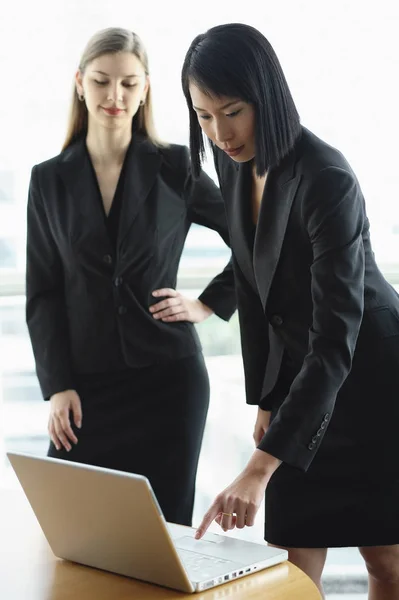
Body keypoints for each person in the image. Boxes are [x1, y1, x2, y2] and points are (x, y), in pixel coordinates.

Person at [182, 23, 399, 599]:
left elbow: (335, 340)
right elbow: (256, 293)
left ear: (267, 98)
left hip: (372, 378)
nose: (220, 133)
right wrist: (268, 400)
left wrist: (258, 467)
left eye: (232, 111)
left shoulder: (326, 177)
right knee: (292, 571)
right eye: (203, 116)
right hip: (305, 384)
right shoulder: (233, 164)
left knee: (387, 561)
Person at [26, 27, 236, 527]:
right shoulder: (48, 179)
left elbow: (253, 240)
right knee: (77, 530)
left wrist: (207, 304)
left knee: (161, 538)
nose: (114, 96)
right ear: (80, 83)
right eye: (101, 81)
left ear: (145, 89)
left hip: (168, 381)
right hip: (85, 388)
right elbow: (43, 292)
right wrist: (57, 385)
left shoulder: (175, 166)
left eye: (128, 83)